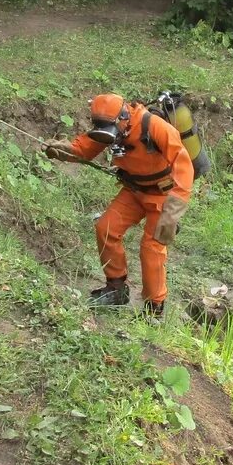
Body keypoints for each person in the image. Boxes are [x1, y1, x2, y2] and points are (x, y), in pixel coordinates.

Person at [44, 94, 193, 317]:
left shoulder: (154, 126)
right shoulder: (108, 127)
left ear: (124, 116)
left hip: (162, 195)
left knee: (152, 249)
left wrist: (173, 212)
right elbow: (83, 149)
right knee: (106, 228)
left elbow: (184, 167)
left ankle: (154, 309)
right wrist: (62, 149)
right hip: (133, 191)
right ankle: (116, 288)